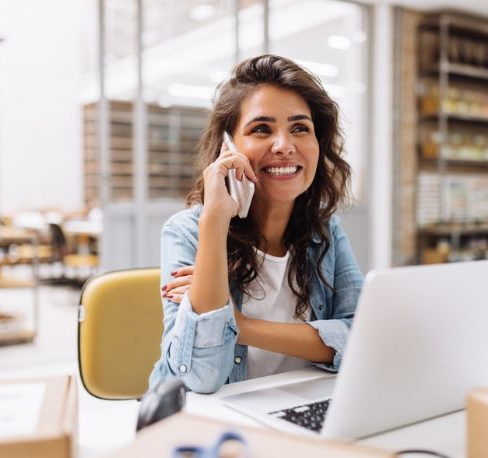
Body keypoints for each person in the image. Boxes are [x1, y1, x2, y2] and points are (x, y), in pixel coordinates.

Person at [148, 54, 363, 394]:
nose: (284, 146)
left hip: (298, 407)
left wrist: (241, 325)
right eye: (262, 129)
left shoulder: (325, 230)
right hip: (213, 423)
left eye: (300, 128)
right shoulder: (188, 231)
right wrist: (215, 220)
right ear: (228, 147)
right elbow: (201, 378)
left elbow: (362, 339)